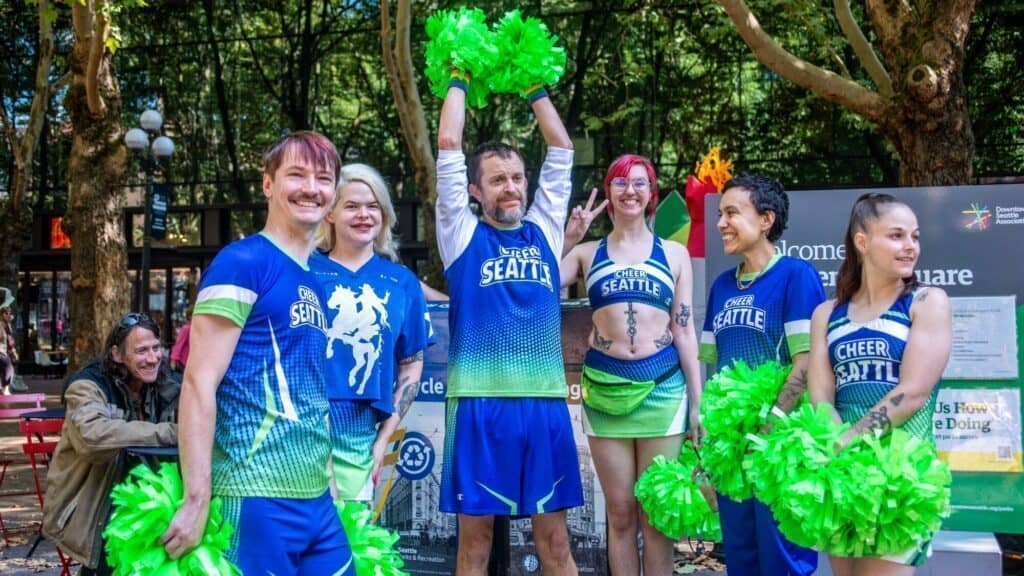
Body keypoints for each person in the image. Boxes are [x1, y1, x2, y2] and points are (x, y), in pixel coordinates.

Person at [161, 131, 353, 575]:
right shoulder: (241, 262)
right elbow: (197, 382)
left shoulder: (317, 280)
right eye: (296, 174)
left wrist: (329, 478)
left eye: (323, 178)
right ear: (268, 184)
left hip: (318, 502)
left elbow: (311, 388)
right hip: (253, 498)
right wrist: (196, 498)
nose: (311, 187)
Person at [435, 79, 582, 575]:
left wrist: (534, 87)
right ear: (475, 191)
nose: (512, 187)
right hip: (478, 401)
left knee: (555, 541)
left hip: (542, 403)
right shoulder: (460, 233)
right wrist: (459, 76)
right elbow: (449, 145)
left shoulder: (546, 228)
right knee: (475, 545)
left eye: (518, 177)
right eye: (498, 179)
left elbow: (560, 149)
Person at [560, 154, 703, 574]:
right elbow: (538, 285)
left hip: (663, 388)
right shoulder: (588, 253)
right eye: (620, 183)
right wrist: (570, 237)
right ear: (608, 193)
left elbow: (685, 329)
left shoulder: (674, 254)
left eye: (639, 183)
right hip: (605, 392)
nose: (630, 191)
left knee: (656, 517)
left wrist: (698, 403)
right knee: (620, 515)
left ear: (651, 194)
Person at [808, 193, 951, 575]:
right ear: (862, 242)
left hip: (901, 481)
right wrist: (838, 447)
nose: (910, 247)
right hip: (843, 474)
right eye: (897, 236)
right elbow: (820, 394)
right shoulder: (828, 313)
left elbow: (913, 393)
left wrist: (848, 440)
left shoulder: (927, 302)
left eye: (915, 237)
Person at [700, 173, 822, 576]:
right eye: (720, 214)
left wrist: (770, 428)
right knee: (740, 555)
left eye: (732, 213)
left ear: (766, 219)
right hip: (733, 450)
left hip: (777, 445)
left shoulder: (795, 276)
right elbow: (716, 372)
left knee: (782, 556)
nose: (721, 223)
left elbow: (806, 363)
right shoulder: (721, 286)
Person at [311, 163, 430, 501]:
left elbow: (411, 365)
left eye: (373, 206)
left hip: (361, 437)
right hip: (301, 430)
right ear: (330, 213)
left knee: (353, 543)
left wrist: (382, 443)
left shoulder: (402, 282)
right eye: (351, 206)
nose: (364, 215)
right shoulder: (303, 269)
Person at [43, 312, 179, 575]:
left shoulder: (167, 384)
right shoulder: (87, 385)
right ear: (117, 355)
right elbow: (93, 437)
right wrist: (170, 432)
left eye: (155, 348)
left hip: (153, 503)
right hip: (95, 507)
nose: (152, 358)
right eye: (141, 351)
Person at [0, 288, 18, 395]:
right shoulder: (2, 325)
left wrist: (13, 351)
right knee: (8, 368)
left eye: (9, 313)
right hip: (1, 352)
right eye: (6, 313)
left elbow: (10, 340)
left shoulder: (7, 325)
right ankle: (5, 389)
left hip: (3, 351)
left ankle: (4, 389)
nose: (8, 315)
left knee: (6, 369)